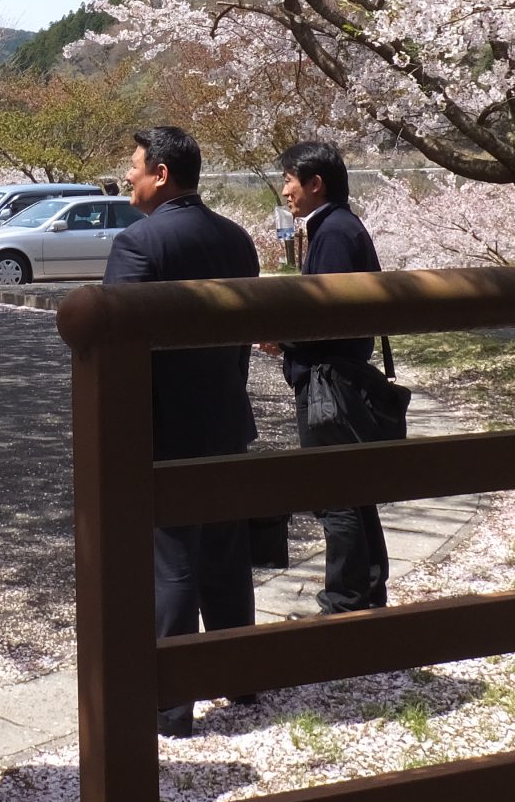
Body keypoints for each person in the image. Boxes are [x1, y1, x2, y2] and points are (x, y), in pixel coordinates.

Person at [103, 125, 262, 737]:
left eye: (136, 167)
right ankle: (237, 677)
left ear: (162, 175)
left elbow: (121, 350)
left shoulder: (139, 244)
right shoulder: (236, 239)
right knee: (225, 553)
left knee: (171, 561)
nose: (130, 177)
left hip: (166, 425)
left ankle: (170, 703)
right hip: (226, 414)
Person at [275, 138, 394, 615]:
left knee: (334, 493)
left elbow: (326, 318)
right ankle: (368, 589)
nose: (285, 190)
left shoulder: (333, 233)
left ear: (314, 183)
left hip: (330, 381)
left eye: (289, 179)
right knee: (354, 489)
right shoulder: (341, 227)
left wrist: (282, 338)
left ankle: (344, 601)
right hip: (344, 375)